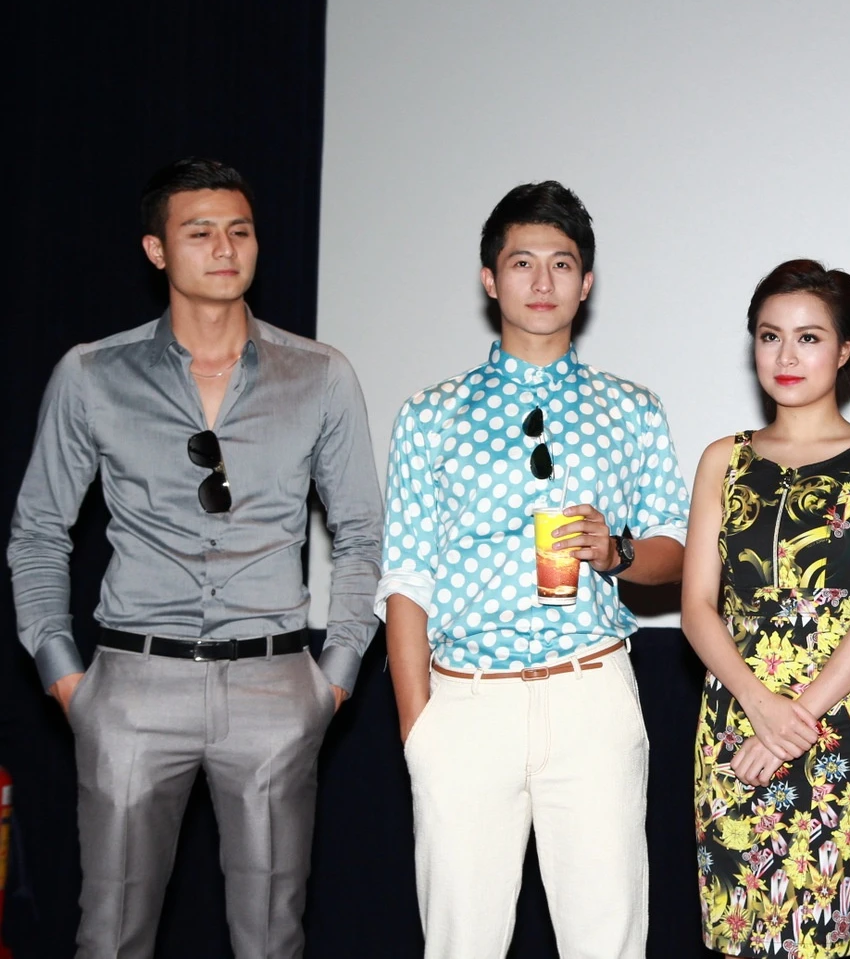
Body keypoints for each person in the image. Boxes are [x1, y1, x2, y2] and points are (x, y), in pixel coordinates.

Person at [7, 157, 383, 959]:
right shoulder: (92, 374)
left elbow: (361, 531)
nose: (224, 247)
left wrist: (334, 675)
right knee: (109, 937)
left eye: (239, 230)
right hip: (131, 685)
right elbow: (38, 530)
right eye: (200, 231)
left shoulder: (319, 375)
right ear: (156, 250)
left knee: (272, 941)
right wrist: (68, 678)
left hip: (275, 685)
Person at [378, 180, 689, 959]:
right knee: (462, 943)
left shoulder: (632, 408)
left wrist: (617, 551)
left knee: (607, 941)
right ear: (490, 278)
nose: (542, 281)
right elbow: (406, 575)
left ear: (587, 282)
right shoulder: (431, 413)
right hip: (465, 702)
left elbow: (678, 549)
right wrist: (420, 729)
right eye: (523, 262)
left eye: (562, 263)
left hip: (590, 693)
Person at [681, 259, 850, 957]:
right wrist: (759, 705)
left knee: (818, 930)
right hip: (732, 717)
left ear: (845, 350)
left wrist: (796, 719)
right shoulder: (722, 460)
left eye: (809, 337)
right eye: (770, 336)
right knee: (736, 929)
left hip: (835, 724)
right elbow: (697, 607)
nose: (786, 356)